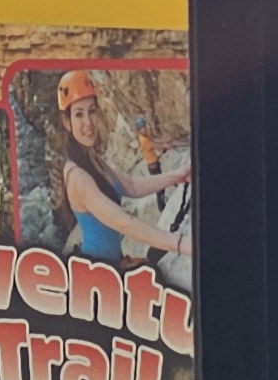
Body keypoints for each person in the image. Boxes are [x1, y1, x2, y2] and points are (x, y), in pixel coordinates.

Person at [50, 71, 190, 261]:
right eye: (79, 114)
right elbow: (124, 223)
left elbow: (131, 186)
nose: (88, 123)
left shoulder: (91, 158)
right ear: (67, 122)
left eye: (92, 111)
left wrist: (178, 175)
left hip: (110, 263)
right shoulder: (77, 177)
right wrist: (179, 244)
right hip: (98, 271)